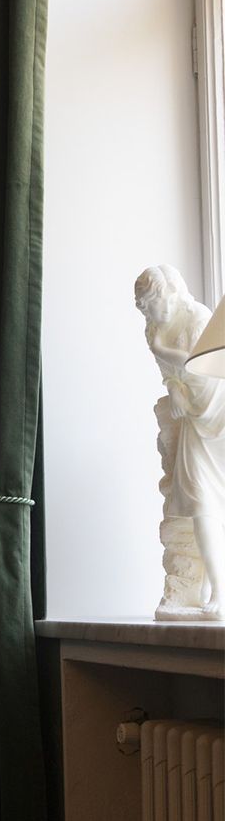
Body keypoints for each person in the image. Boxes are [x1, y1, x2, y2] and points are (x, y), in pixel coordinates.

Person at [135, 264, 225, 617]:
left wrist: (163, 349)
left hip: (217, 415)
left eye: (150, 304)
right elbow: (170, 375)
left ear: (169, 295)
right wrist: (173, 389)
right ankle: (215, 587)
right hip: (192, 421)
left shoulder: (198, 318)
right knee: (199, 504)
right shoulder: (152, 328)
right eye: (143, 308)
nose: (147, 313)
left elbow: (203, 367)